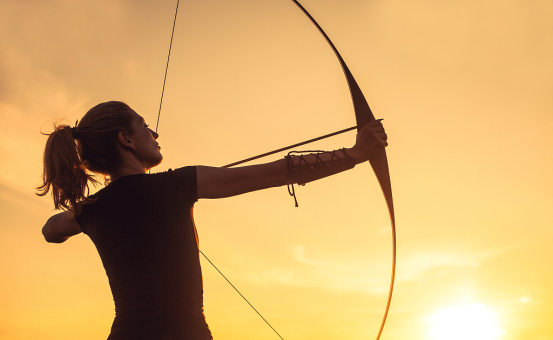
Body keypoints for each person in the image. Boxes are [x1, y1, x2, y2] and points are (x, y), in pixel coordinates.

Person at [38, 101, 387, 340]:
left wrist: (80, 213)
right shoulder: (176, 184)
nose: (154, 134)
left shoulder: (92, 210)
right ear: (125, 139)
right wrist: (355, 154)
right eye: (144, 127)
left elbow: (50, 231)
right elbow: (276, 173)